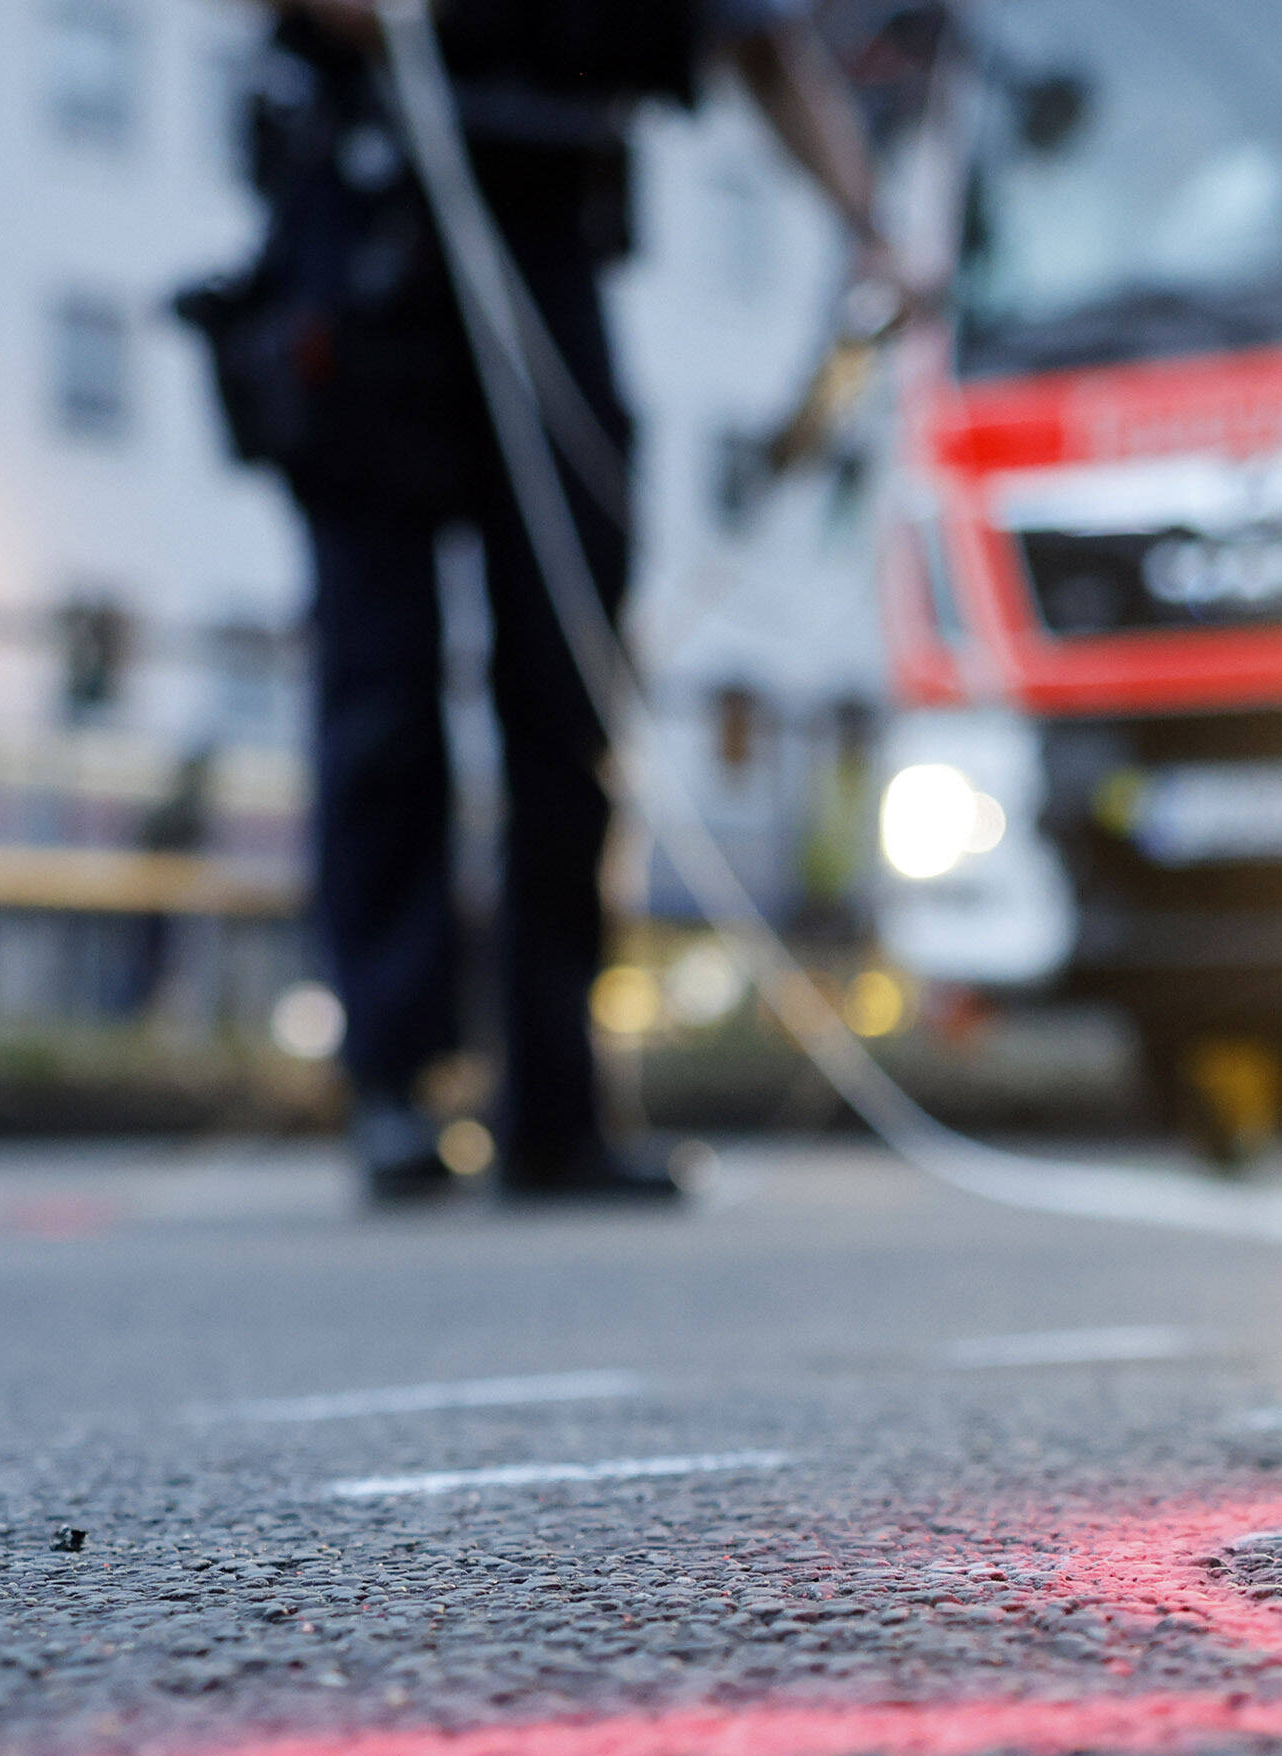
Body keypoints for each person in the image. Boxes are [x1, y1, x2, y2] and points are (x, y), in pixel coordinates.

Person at [202, 1, 898, 1206]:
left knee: (567, 681)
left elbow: (763, 42)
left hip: (548, 239)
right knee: (379, 690)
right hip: (374, 223)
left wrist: (870, 231)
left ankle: (556, 1107)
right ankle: (396, 1084)